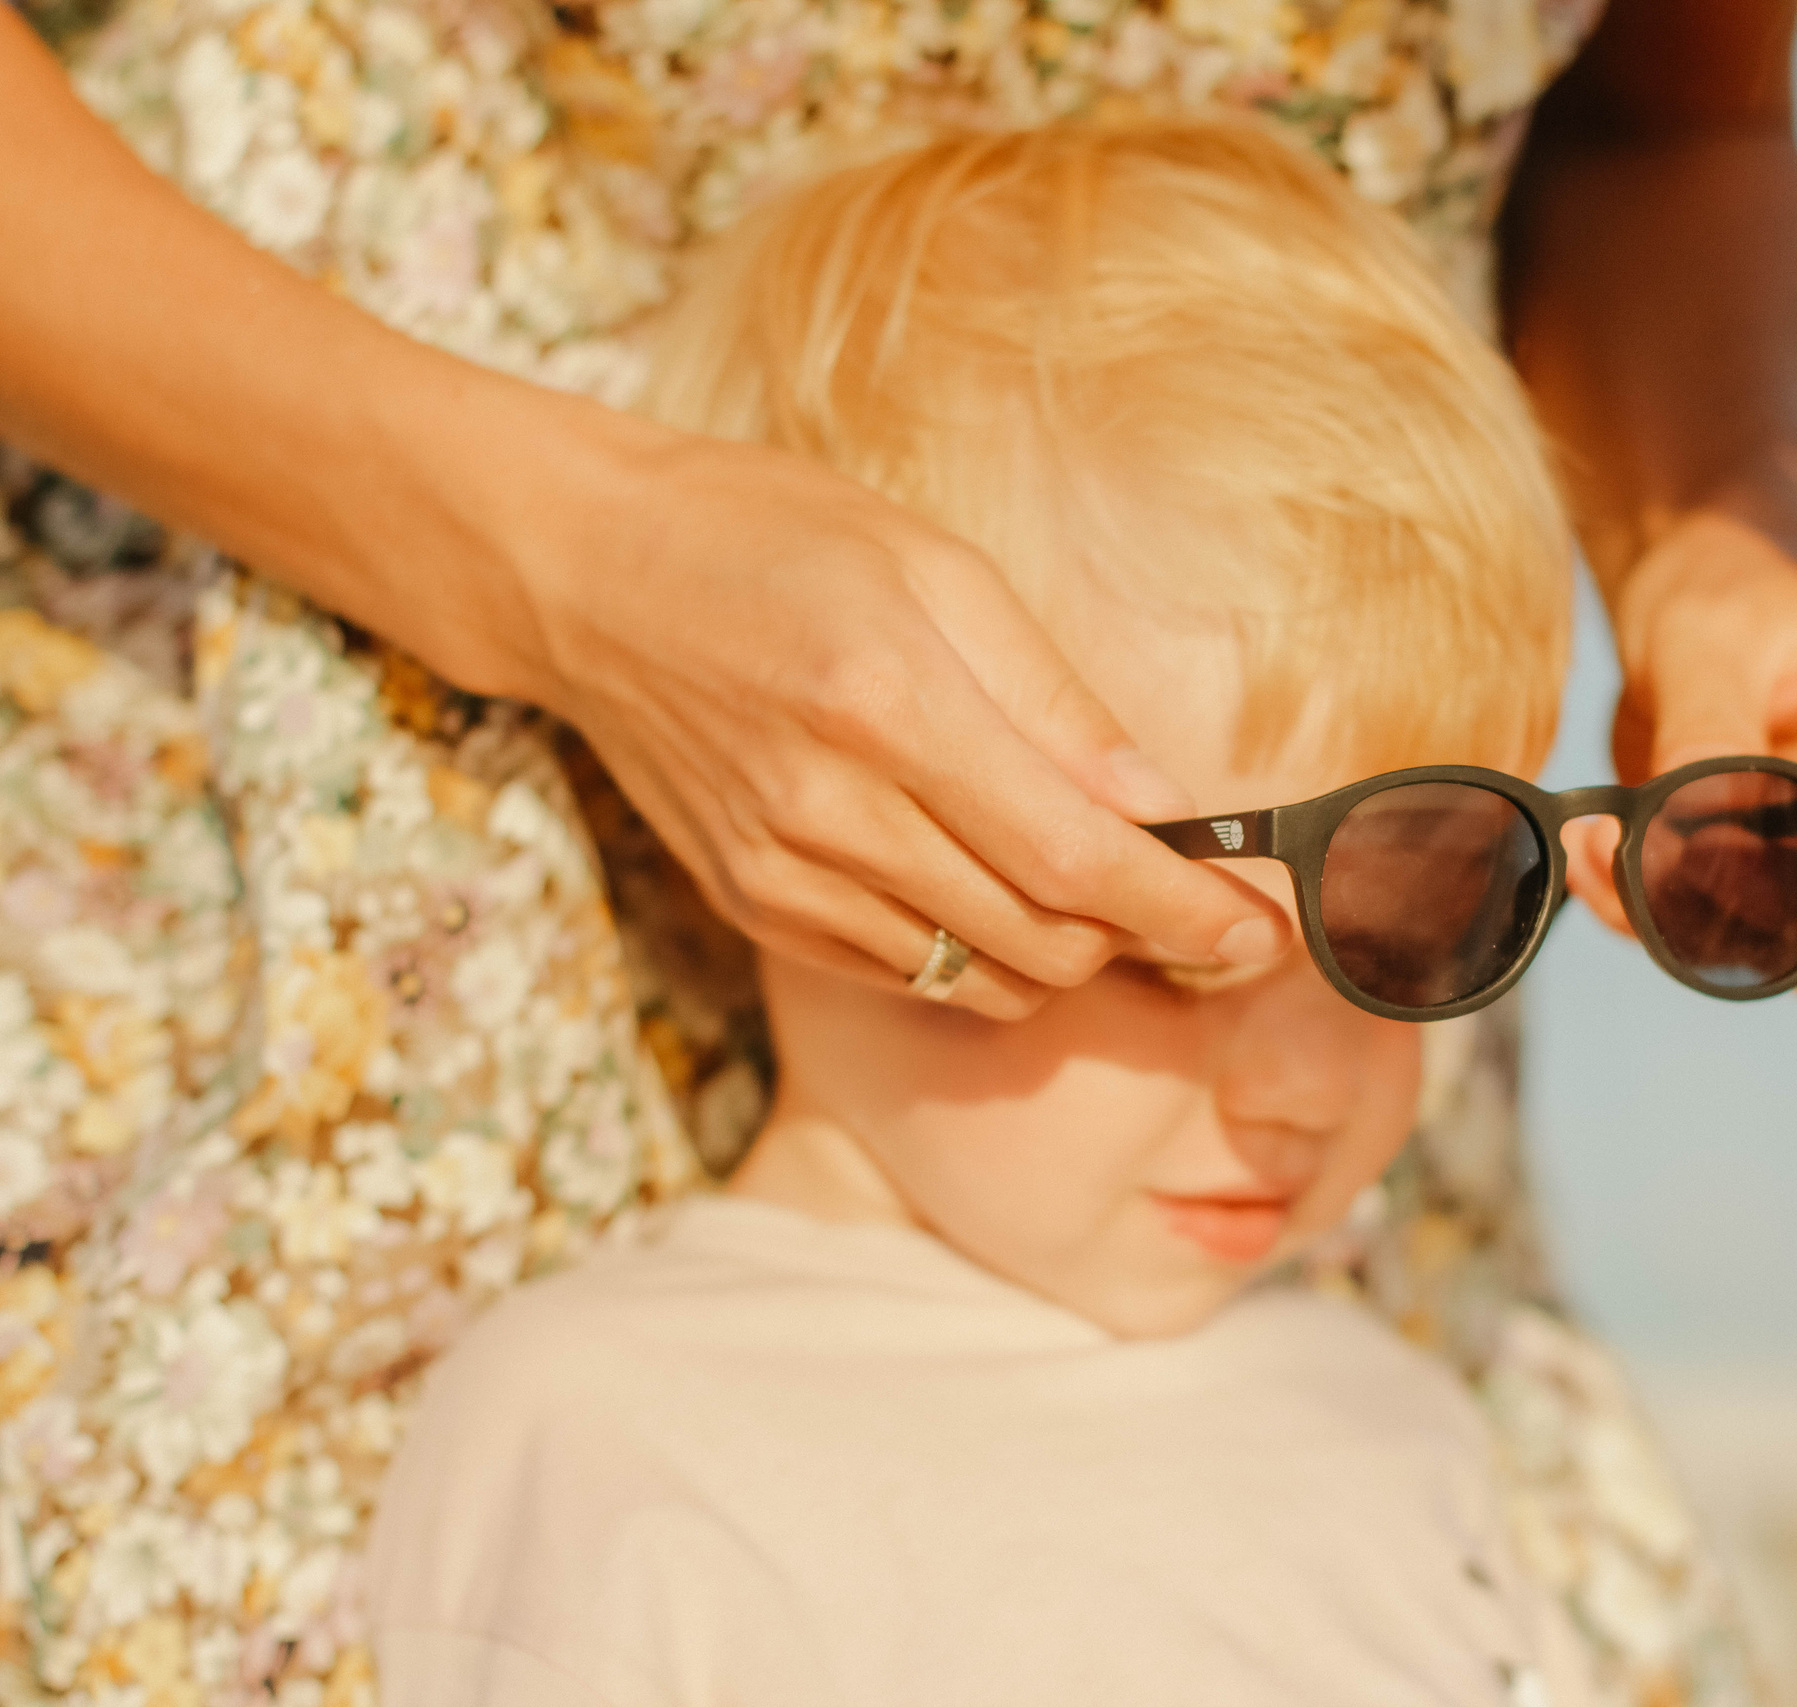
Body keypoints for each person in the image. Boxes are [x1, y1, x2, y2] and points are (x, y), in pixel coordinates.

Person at [366, 126, 1617, 1707]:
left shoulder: (1401, 1419)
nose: (1307, 1087)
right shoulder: (604, 1433)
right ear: (807, 820)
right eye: (1170, 956)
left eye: (1400, 958)